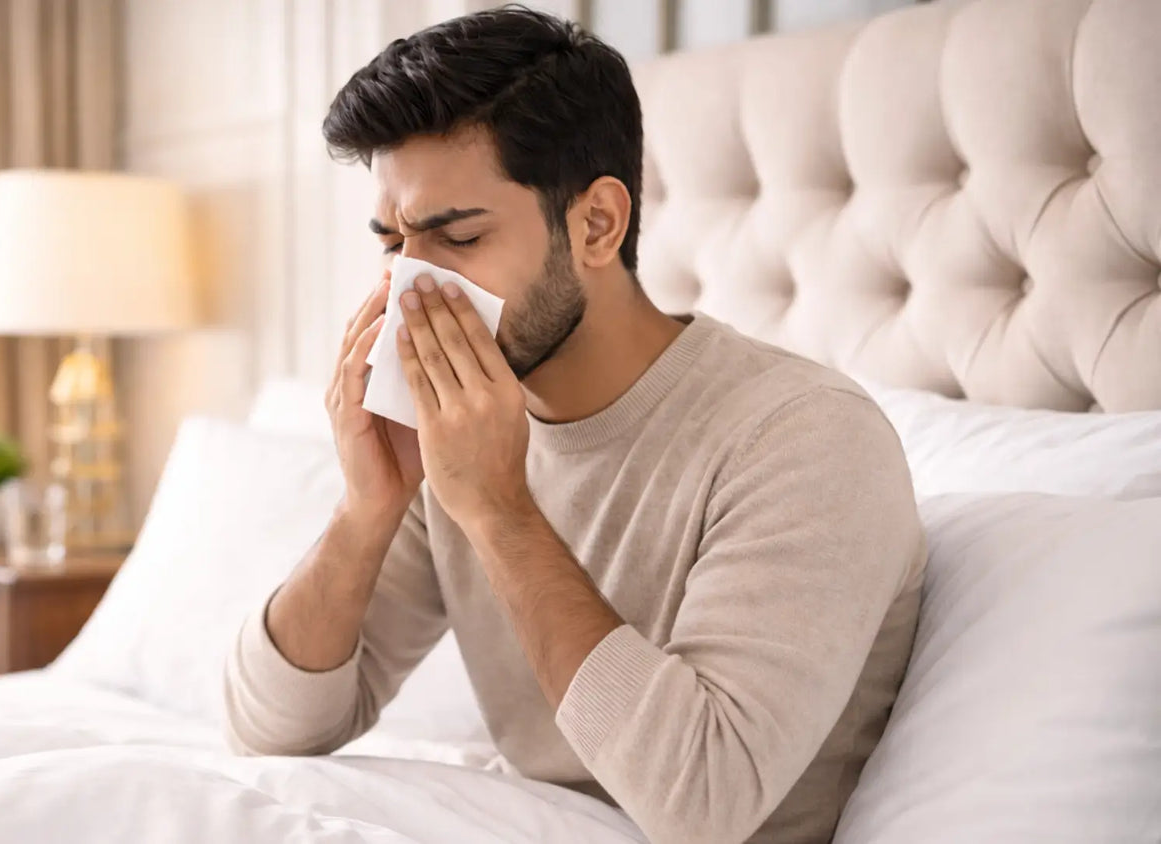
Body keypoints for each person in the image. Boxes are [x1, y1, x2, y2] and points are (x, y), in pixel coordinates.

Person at [223, 7, 925, 843]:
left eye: (459, 238)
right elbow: (272, 731)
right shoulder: (460, 434)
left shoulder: (803, 439)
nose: (412, 288)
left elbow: (705, 798)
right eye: (392, 244)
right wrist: (368, 505)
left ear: (597, 223)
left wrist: (499, 509)